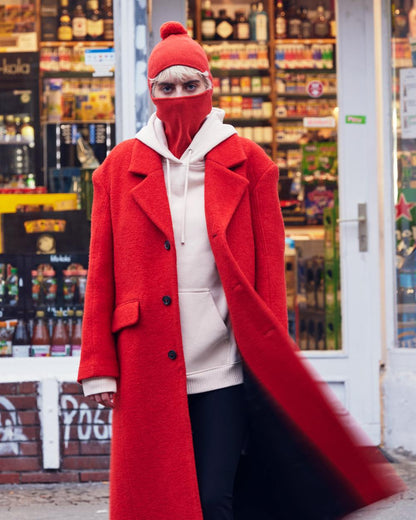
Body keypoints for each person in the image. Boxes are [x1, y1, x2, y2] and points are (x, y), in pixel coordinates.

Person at [78, 21, 403, 520]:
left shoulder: (250, 163)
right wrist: (98, 366)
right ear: (151, 93)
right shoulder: (119, 169)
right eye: (167, 87)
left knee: (216, 499)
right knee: (157, 499)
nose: (179, 96)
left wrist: (273, 363)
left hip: (223, 364)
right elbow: (101, 274)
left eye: (191, 85)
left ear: (211, 87)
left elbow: (270, 274)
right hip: (144, 361)